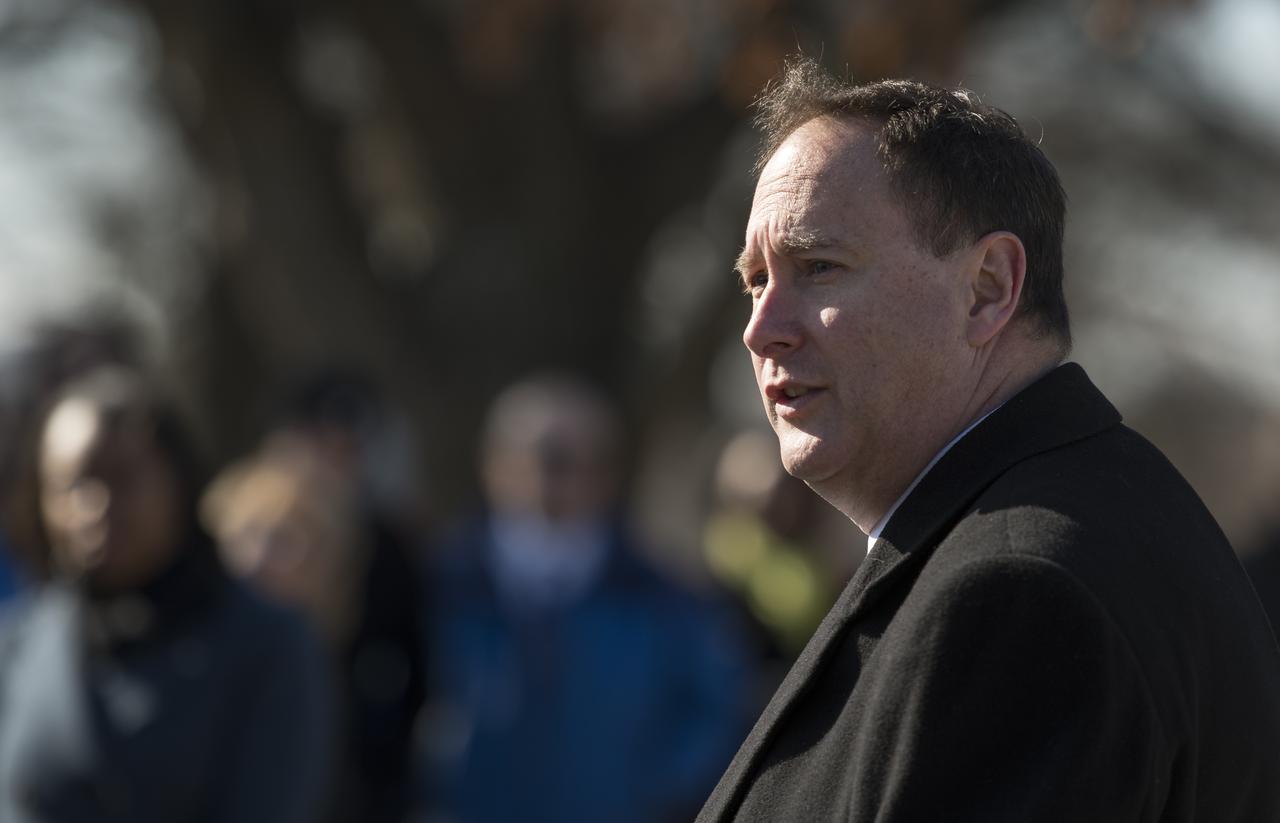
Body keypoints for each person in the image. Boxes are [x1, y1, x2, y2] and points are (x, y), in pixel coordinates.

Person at [698, 58, 1280, 822]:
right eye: (755, 280)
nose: (761, 327)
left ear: (988, 288)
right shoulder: (1052, 528)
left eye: (817, 266)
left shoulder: (1020, 592)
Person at [0, 365, 333, 823]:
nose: (93, 508)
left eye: (122, 478)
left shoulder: (266, 645)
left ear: (179, 482)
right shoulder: (21, 644)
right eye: (71, 485)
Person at [420, 374, 752, 823]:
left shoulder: (670, 602)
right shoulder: (438, 588)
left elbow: (715, 721)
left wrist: (647, 796)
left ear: (609, 475)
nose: (554, 480)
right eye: (545, 458)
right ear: (492, 464)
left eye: (582, 461)